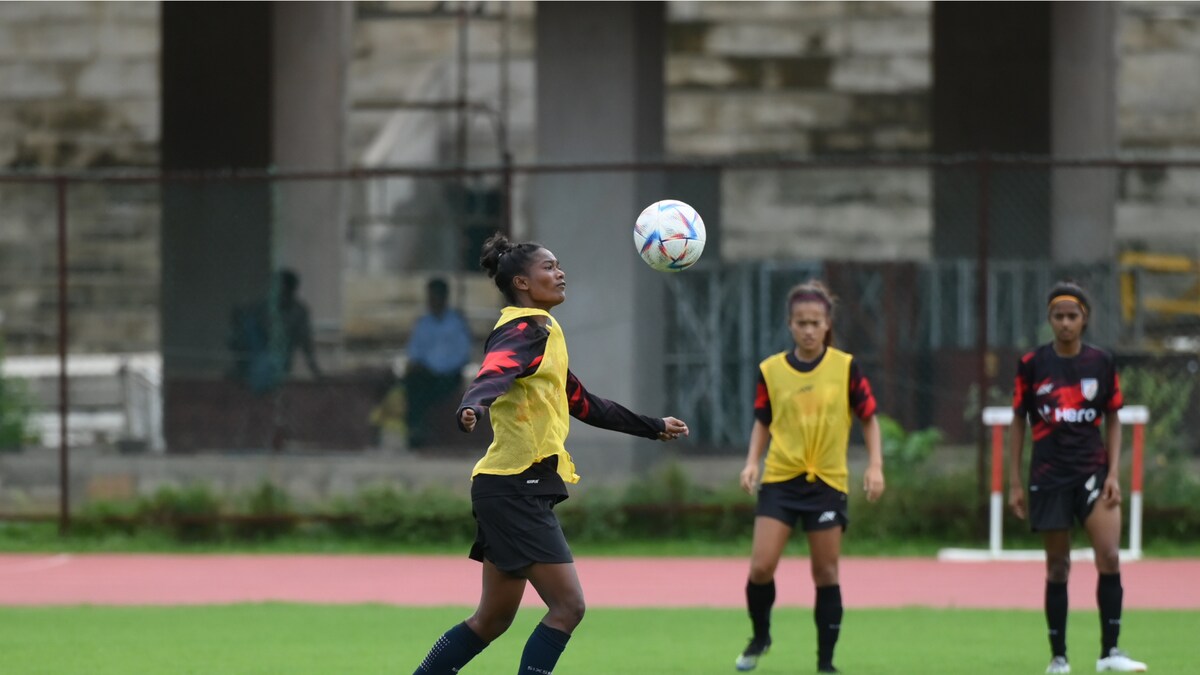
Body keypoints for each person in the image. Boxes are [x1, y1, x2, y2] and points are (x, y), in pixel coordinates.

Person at [412, 232, 690, 675]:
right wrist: (473, 402)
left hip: (509, 487)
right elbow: (496, 370)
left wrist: (652, 426)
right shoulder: (524, 329)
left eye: (559, 266)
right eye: (549, 267)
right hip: (515, 487)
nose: (560, 273)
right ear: (522, 282)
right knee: (568, 606)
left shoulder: (544, 331)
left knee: (492, 620)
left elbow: (583, 403)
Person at [735, 280, 884, 674]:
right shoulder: (771, 370)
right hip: (781, 479)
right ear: (790, 324)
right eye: (801, 322)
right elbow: (762, 421)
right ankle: (760, 635)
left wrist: (875, 465)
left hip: (827, 483)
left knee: (826, 572)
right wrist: (752, 462)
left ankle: (825, 662)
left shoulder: (846, 366)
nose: (808, 329)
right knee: (761, 568)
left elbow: (869, 418)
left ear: (827, 323)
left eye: (815, 322)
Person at [1008, 281, 1147, 674]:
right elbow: (1018, 420)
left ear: (1084, 319)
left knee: (1109, 556)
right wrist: (1016, 481)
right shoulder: (1032, 364)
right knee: (1057, 566)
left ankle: (1110, 652)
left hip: (1092, 473)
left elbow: (1114, 417)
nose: (1065, 323)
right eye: (1058, 316)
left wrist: (1114, 473)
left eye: (1072, 316)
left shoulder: (1101, 362)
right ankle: (1059, 657)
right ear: (1050, 319)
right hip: (1049, 477)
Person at [228, 268, 321, 393]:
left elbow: (306, 345)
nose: (273, 291)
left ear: (288, 290)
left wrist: (316, 372)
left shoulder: (299, 312)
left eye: (277, 287)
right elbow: (241, 317)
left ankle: (256, 377)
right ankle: (244, 370)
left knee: (265, 369)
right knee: (246, 320)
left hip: (277, 361)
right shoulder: (264, 306)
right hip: (257, 355)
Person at [405, 277, 473, 448]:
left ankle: (428, 432)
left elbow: (462, 353)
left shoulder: (456, 323)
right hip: (427, 374)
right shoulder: (423, 323)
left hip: (450, 374)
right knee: (413, 385)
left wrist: (443, 369)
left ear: (444, 297)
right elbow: (415, 353)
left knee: (428, 392)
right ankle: (415, 432)